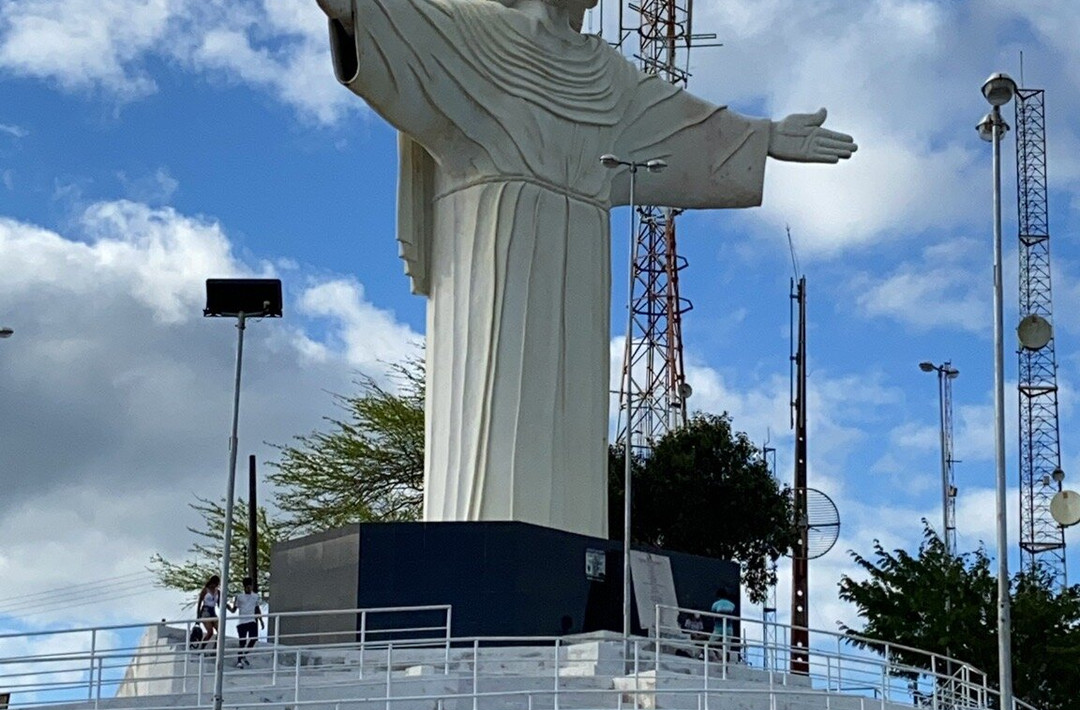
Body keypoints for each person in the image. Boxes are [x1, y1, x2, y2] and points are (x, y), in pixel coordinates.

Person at [314, 0, 856, 541]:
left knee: (571, 435)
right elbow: (378, 16)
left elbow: (689, 128)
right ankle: (479, 553)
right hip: (492, 247)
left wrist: (765, 138)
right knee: (489, 433)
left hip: (580, 257)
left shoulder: (606, 74)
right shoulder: (471, 31)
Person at [227, 577, 264, 668]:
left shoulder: (255, 596)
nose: (249, 588)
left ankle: (244, 654)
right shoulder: (239, 597)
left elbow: (257, 608)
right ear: (244, 587)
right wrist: (227, 606)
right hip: (242, 621)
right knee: (242, 641)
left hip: (251, 620)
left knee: (254, 638)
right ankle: (239, 660)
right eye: (247, 586)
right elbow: (233, 610)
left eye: (250, 586)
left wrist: (261, 620)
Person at [709, 588, 739, 663]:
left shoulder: (715, 604)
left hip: (718, 628)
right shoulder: (732, 605)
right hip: (729, 628)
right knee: (727, 647)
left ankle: (717, 654)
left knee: (710, 643)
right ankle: (726, 663)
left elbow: (713, 616)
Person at [196, 575, 221, 651]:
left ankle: (216, 648)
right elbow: (200, 602)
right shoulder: (205, 590)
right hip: (205, 611)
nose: (215, 585)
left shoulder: (218, 592)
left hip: (213, 611)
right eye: (214, 583)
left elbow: (219, 603)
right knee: (210, 632)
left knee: (220, 631)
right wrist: (198, 615)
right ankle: (202, 648)